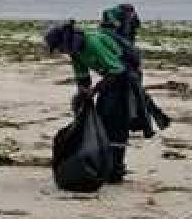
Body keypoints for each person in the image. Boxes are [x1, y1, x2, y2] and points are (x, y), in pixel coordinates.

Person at [44, 20, 132, 182]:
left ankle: (116, 168)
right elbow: (83, 79)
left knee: (114, 120)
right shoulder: (75, 51)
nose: (61, 51)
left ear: (65, 41)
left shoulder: (92, 42)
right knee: (102, 119)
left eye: (59, 47)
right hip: (110, 78)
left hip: (125, 77)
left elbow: (117, 70)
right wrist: (82, 98)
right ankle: (107, 165)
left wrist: (94, 91)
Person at [99, 4, 170, 134]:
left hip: (127, 57)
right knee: (136, 90)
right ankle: (152, 117)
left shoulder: (119, 22)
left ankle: (144, 119)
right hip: (126, 56)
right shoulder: (117, 20)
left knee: (134, 90)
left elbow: (127, 42)